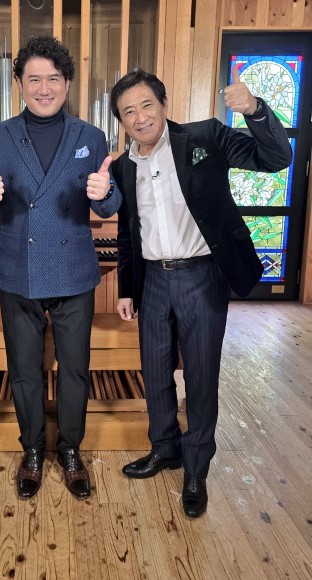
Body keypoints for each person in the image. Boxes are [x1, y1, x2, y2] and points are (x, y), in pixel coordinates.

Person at [110, 67, 292, 517]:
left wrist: (255, 110)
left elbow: (276, 157)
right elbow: (129, 233)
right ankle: (165, 448)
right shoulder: (122, 166)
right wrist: (127, 289)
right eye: (129, 112)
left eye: (147, 105)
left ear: (164, 105)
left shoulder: (205, 137)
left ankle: (196, 467)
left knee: (200, 375)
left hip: (202, 275)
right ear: (121, 120)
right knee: (154, 373)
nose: (140, 117)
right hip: (153, 280)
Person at [0, 34, 121, 499]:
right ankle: (32, 450)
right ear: (19, 83)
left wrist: (106, 194)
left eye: (53, 78)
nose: (44, 87)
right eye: (34, 79)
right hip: (18, 270)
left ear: (67, 83)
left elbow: (109, 202)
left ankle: (70, 450)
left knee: (75, 369)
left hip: (74, 271)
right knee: (24, 370)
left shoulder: (90, 137)